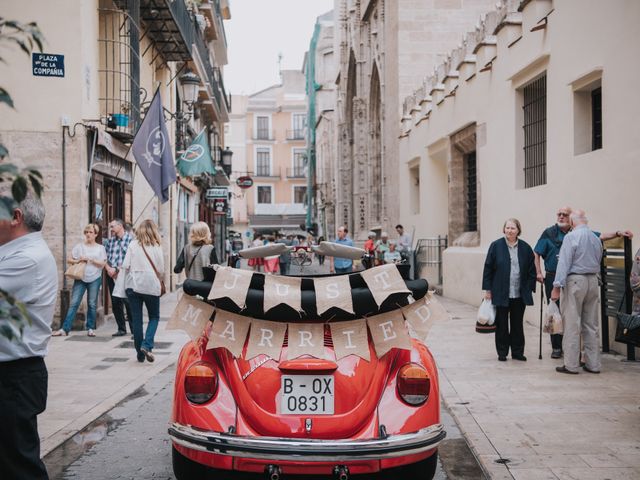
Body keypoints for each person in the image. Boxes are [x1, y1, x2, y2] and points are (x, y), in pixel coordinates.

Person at [0, 193, 58, 480]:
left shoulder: (27, 259)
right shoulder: (15, 253)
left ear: (15, 217)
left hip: (14, 378)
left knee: (18, 467)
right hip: (14, 375)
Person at [535, 206, 633, 358]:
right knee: (555, 313)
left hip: (572, 279)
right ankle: (556, 347)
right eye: (559, 214)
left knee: (572, 316)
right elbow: (537, 252)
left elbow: (601, 236)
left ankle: (572, 356)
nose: (561, 217)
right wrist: (538, 272)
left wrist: (618, 233)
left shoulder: (579, 233)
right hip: (553, 276)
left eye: (564, 215)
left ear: (572, 219)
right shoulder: (549, 233)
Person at [551, 210, 603, 374]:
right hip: (593, 281)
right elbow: (599, 259)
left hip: (575, 281)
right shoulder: (595, 238)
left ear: (572, 223)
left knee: (572, 323)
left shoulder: (571, 237)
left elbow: (564, 263)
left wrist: (556, 286)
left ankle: (571, 365)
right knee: (591, 324)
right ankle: (593, 364)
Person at [482, 218, 536, 362]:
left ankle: (518, 352)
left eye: (513, 228)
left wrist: (530, 287)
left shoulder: (525, 247)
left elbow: (532, 269)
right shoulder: (496, 246)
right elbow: (488, 268)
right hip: (500, 291)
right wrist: (488, 290)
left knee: (517, 323)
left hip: (519, 293)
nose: (510, 231)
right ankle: (502, 352)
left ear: (518, 230)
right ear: (504, 229)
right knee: (501, 324)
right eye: (507, 228)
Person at [53, 223, 107, 337]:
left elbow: (103, 263)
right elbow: (69, 259)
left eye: (91, 232)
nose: (88, 234)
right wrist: (78, 261)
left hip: (95, 278)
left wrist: (90, 259)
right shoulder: (79, 246)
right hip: (81, 278)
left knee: (92, 304)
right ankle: (65, 329)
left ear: (96, 234)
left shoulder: (100, 248)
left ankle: (90, 328)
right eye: (86, 232)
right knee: (74, 303)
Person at [122, 219, 164, 363]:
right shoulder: (157, 246)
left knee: (137, 319)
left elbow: (125, 265)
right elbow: (161, 269)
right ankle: (147, 345)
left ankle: (139, 354)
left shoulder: (133, 245)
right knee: (154, 317)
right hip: (151, 285)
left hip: (133, 285)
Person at [104, 218, 133, 337]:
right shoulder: (110, 242)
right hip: (112, 275)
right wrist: (108, 269)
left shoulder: (131, 240)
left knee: (128, 302)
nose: (111, 229)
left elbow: (131, 259)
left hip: (125, 275)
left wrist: (117, 269)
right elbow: (104, 257)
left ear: (120, 226)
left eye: (112, 226)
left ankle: (134, 330)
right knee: (116, 302)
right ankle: (121, 329)